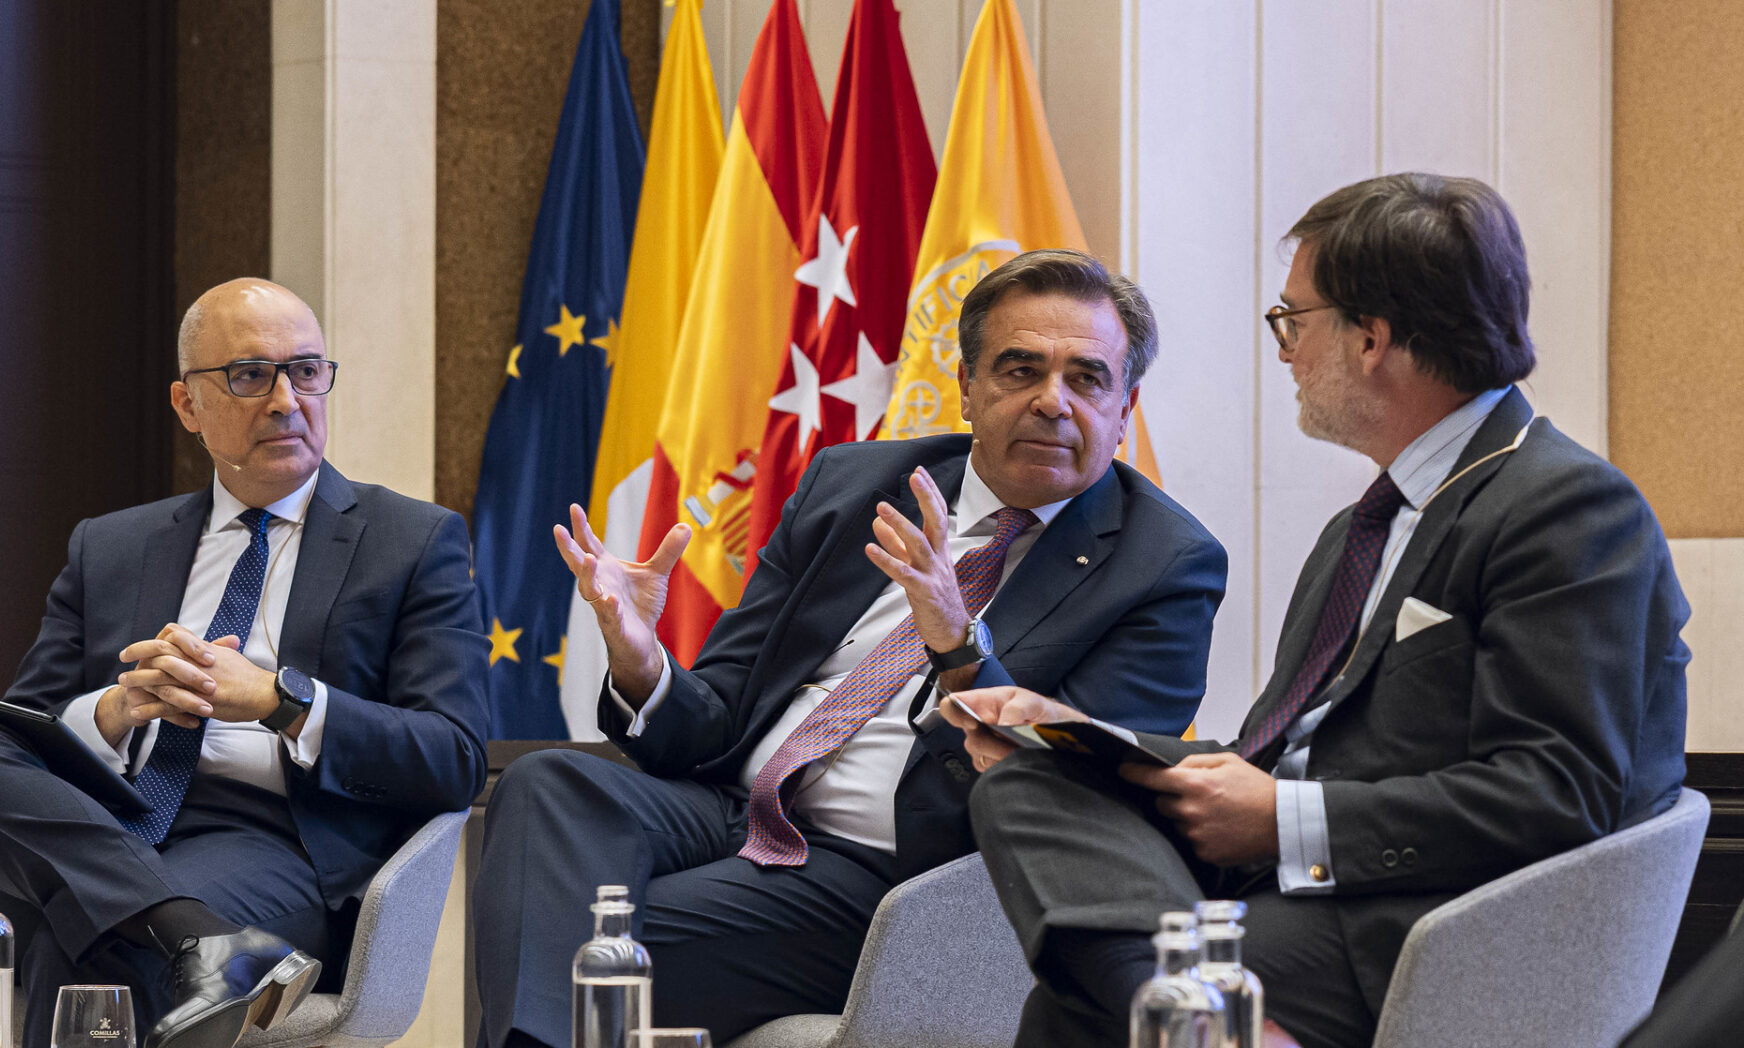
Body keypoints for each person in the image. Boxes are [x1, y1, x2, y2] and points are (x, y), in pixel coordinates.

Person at [944, 174, 1690, 1048]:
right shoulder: (1362, 527)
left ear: (1370, 338)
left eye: (1293, 322)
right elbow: (1279, 753)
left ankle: (1188, 1006)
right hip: (1287, 882)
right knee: (1031, 779)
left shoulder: (1567, 508)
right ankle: (1206, 1015)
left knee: (1079, 1007)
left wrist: (1283, 820)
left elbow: (1559, 791)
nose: (1286, 352)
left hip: (1419, 922)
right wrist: (1072, 730)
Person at [473, 249, 1229, 1048]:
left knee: (558, 927)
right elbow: (721, 716)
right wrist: (639, 657)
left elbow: (1073, 790)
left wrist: (957, 642)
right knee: (549, 784)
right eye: (1021, 370)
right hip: (733, 810)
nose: (1054, 402)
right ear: (968, 386)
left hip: (896, 873)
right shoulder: (853, 485)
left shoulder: (1164, 565)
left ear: (1125, 406)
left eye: (1087, 378)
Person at [0, 278, 491, 1048]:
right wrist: (110, 714)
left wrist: (280, 699)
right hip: (98, 816)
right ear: (188, 406)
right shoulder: (109, 546)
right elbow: (19, 739)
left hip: (274, 839)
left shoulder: (410, 541)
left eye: (306, 371)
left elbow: (454, 756)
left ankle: (182, 932)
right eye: (251, 376)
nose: (286, 400)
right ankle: (194, 936)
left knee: (82, 945)